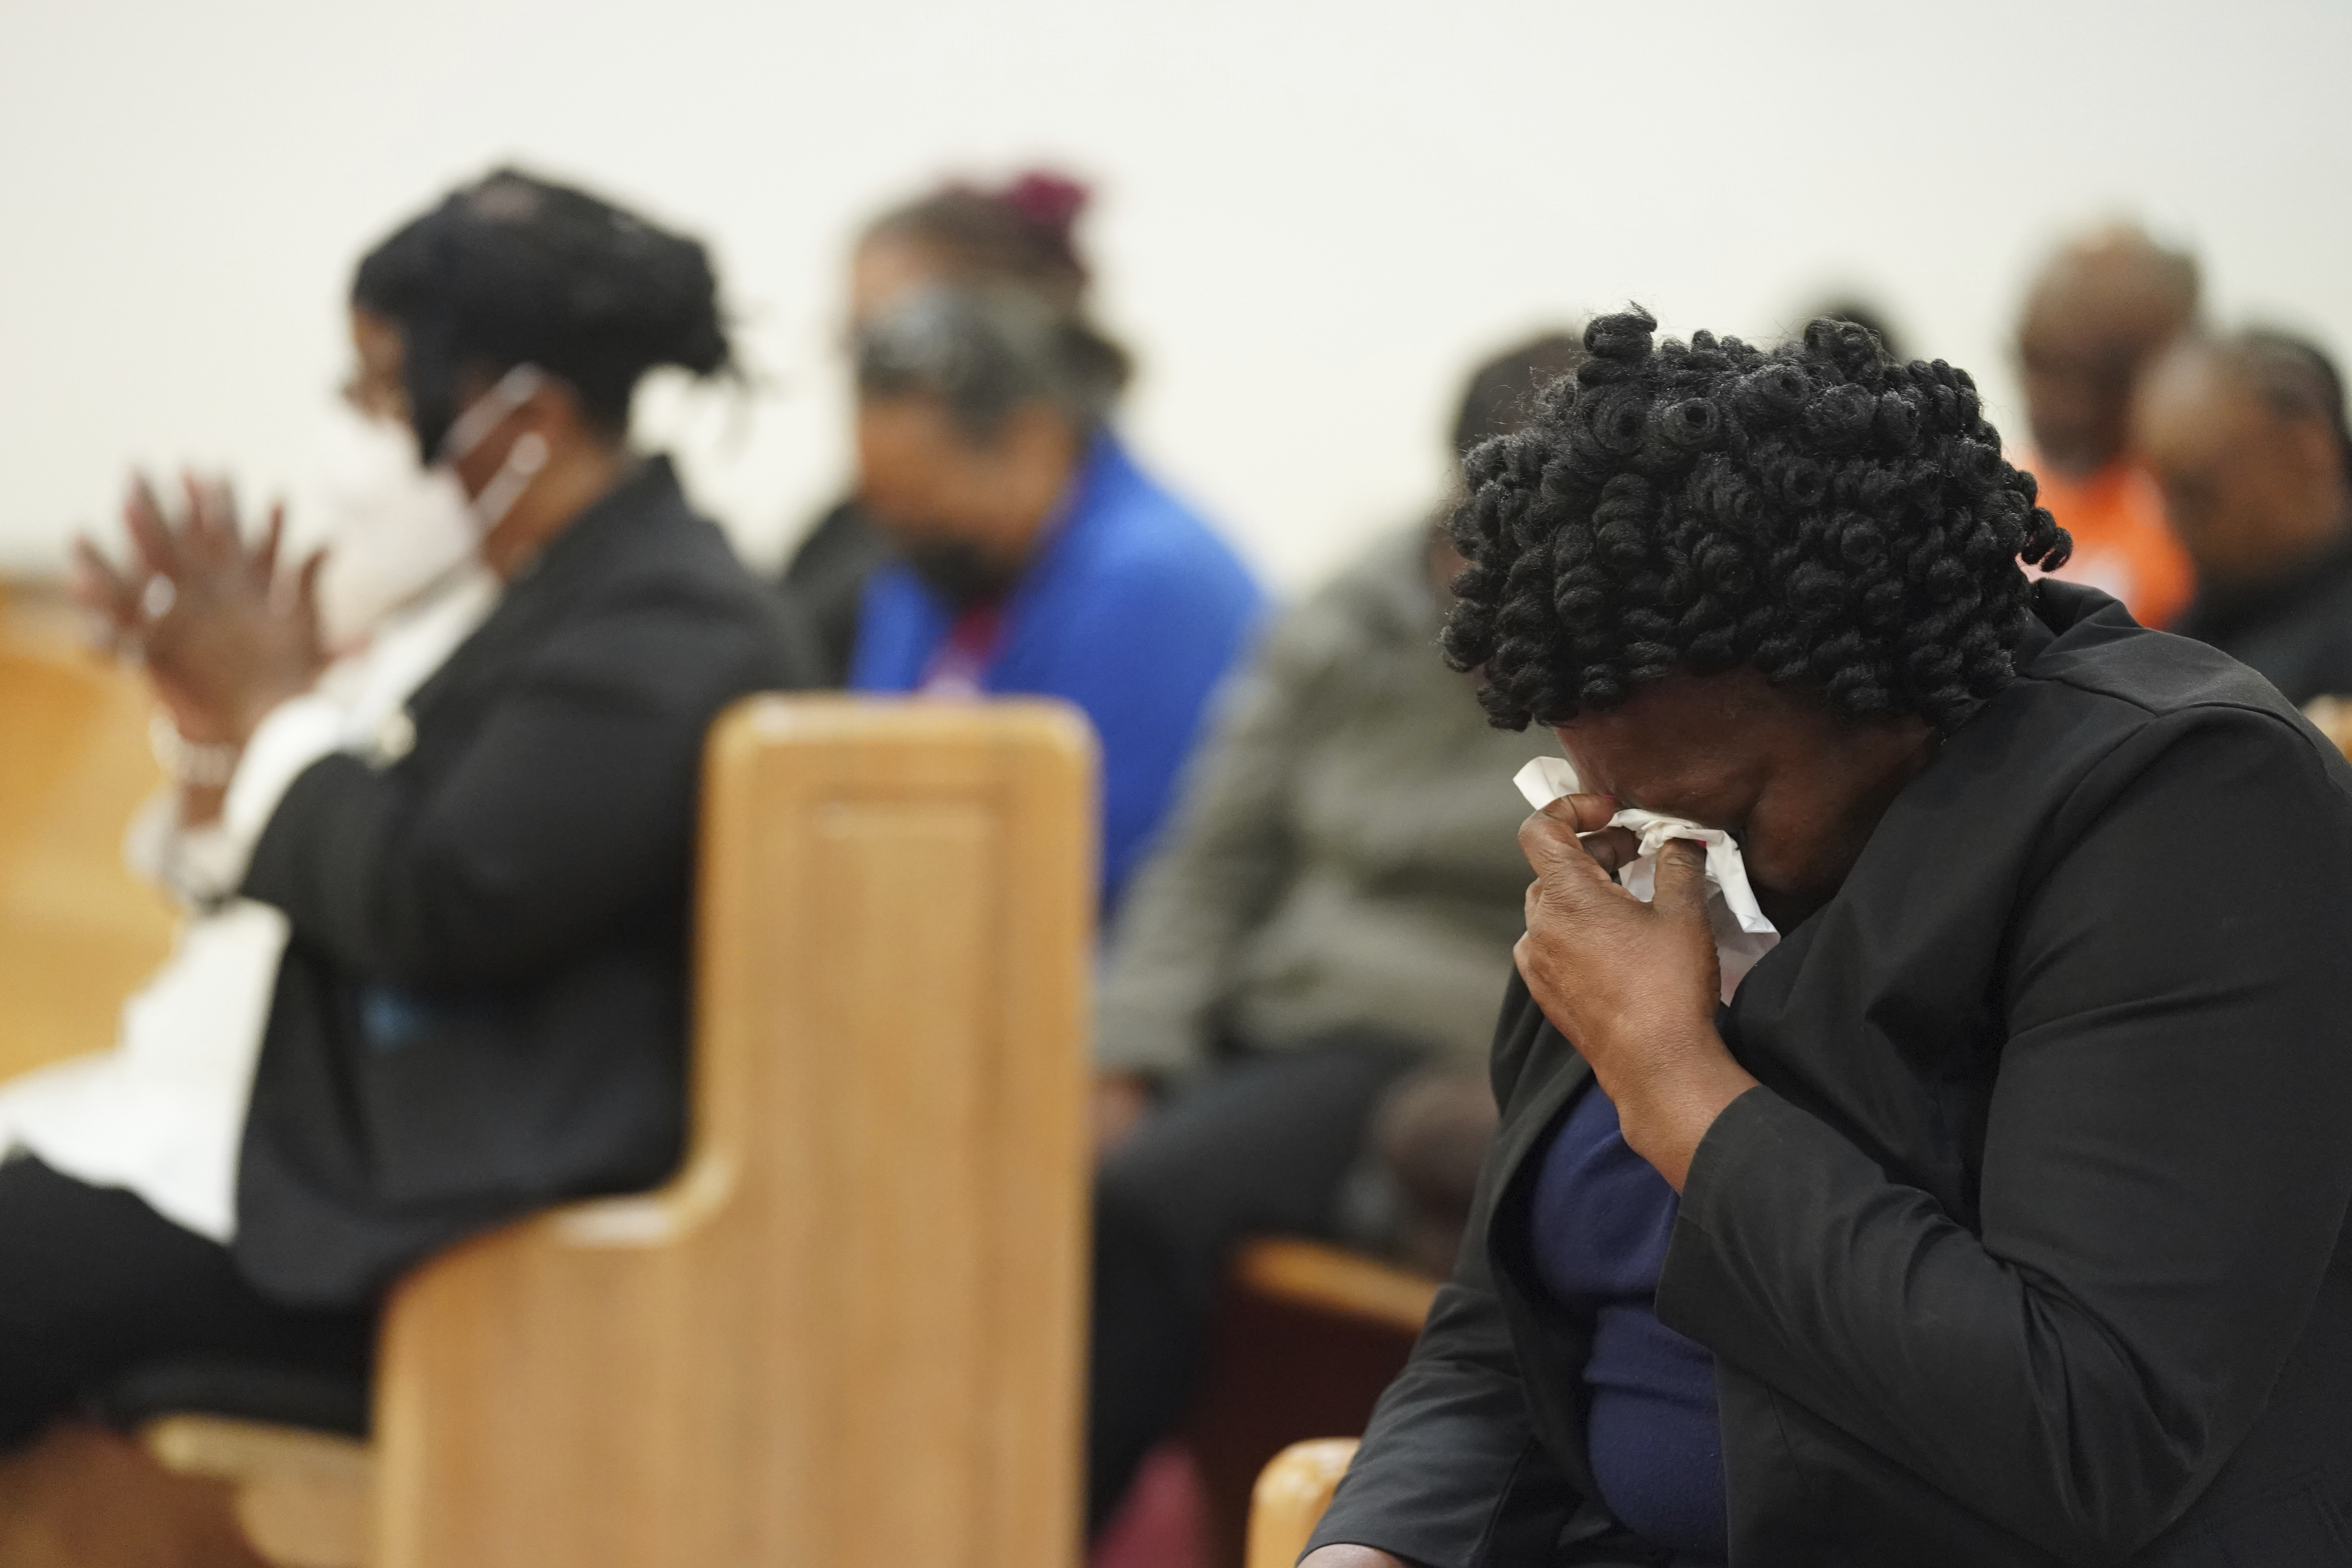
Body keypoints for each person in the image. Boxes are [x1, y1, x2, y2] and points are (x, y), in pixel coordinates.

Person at [1304, 311, 2352, 1568]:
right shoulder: (1658, 823)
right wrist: (1371, 1547)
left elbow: (2091, 1429)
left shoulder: (2182, 806)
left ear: (1890, 689)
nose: (1675, 860)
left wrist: (1679, 1088)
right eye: (1635, 806)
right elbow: (1502, 1330)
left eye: (1728, 807)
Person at [1, 167, 810, 1447]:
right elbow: (294, 862)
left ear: (526, 422)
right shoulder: (494, 592)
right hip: (314, 1128)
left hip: (445, 1203)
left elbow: (433, 901)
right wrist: (224, 738)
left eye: (378, 389)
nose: (349, 424)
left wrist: (272, 709)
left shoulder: (671, 624)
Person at [1085, 331, 1586, 1528]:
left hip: (1443, 1019)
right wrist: (1126, 1044)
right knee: (1029, 1151)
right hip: (1285, 1006)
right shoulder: (1349, 608)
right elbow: (1215, 851)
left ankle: (1023, 1524)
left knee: (1143, 1200)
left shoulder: (1614, 625)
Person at [847, 283, 1263, 913]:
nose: (901, 535)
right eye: (888, 509)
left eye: (922, 503)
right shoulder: (927, 572)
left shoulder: (1152, 584)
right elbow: (863, 785)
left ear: (1034, 441)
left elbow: (1101, 861)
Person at [782, 170, 1101, 683]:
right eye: (859, 343)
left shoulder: (1134, 573)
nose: (877, 368)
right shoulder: (903, 560)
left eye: (899, 331)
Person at [2134, 327, 2352, 706]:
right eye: (2164, 492)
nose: (2169, 520)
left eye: (2197, 493)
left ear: (2305, 448)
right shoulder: (2196, 625)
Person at [2012, 222, 2200, 628]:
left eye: (2082, 372)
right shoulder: (1997, 493)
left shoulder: (2199, 521)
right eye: (2035, 360)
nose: (2049, 399)